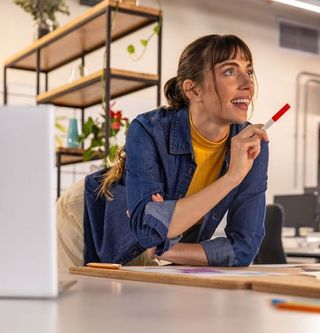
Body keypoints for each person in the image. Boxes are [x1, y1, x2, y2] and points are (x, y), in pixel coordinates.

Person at [57, 34, 269, 272]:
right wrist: (232, 178)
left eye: (248, 72)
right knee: (84, 304)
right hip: (91, 215)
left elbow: (243, 249)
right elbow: (148, 231)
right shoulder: (148, 129)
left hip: (158, 247)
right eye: (229, 71)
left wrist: (168, 247)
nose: (248, 84)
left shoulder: (251, 146)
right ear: (193, 90)